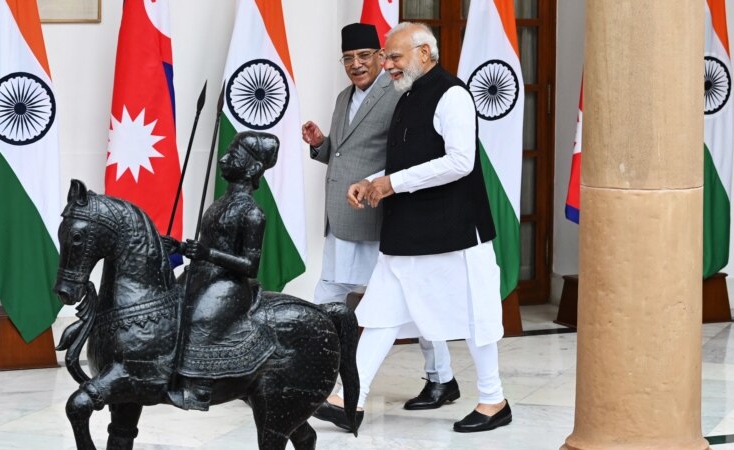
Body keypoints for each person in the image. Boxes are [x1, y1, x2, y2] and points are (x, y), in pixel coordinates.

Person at [315, 22, 511, 433]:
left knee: (478, 317)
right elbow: (410, 163)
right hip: (408, 232)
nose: (386, 64)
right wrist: (374, 181)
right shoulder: (407, 95)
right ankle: (347, 398)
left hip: (455, 232)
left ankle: (494, 400)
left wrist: (392, 183)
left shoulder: (452, 94)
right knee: (380, 314)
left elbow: (461, 162)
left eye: (394, 56)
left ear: (424, 54)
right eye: (385, 57)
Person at [303, 23, 460, 426]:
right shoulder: (342, 98)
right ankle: (314, 376)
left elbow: (409, 153)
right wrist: (321, 144)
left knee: (406, 299)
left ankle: (439, 378)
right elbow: (341, 155)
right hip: (341, 214)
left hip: (378, 214)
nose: (357, 65)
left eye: (365, 56)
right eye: (348, 59)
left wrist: (378, 185)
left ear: (381, 57)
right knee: (334, 291)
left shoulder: (398, 94)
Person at [167, 132, 279, 411]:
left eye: (234, 156)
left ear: (253, 169)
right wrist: (180, 246)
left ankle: (201, 386)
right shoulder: (219, 203)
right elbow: (208, 243)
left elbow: (250, 265)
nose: (223, 159)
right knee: (167, 308)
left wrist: (208, 254)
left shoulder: (253, 213)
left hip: (228, 284)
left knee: (199, 318)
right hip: (203, 275)